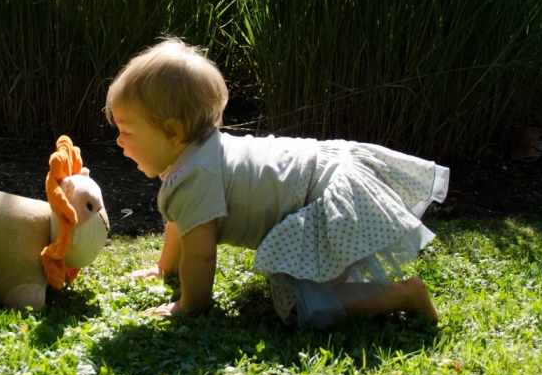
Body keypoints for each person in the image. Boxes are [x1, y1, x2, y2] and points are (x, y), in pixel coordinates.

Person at [104, 38, 448, 328]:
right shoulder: (199, 156)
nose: (119, 141)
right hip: (326, 171)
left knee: (308, 305)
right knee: (313, 288)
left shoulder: (195, 176)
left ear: (172, 132)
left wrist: (189, 306)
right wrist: (165, 268)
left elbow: (201, 256)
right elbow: (180, 223)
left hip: (320, 200)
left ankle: (404, 294)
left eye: (126, 131)